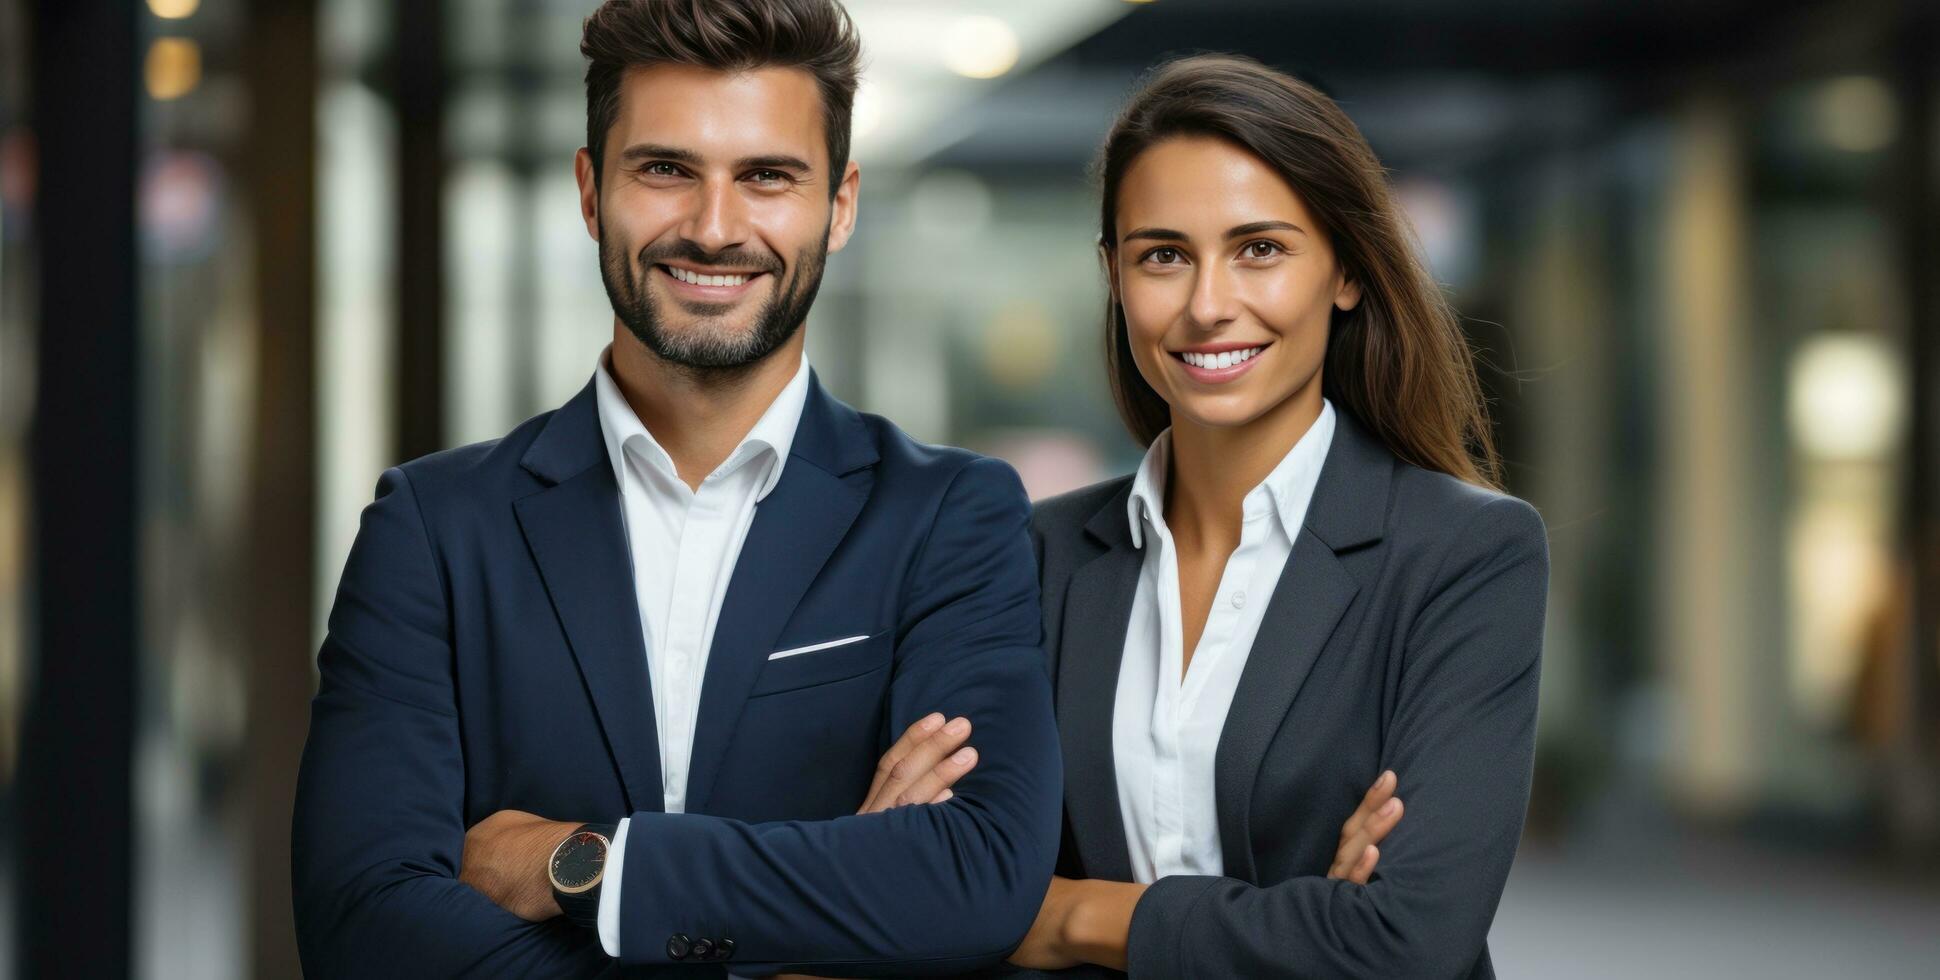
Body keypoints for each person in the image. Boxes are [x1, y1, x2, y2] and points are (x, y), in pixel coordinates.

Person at [289, 1, 1062, 975]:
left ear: (841, 203)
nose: (712, 228)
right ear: (588, 189)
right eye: (664, 170)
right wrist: (825, 919)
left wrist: (589, 867)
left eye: (767, 178)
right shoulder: (434, 530)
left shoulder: (948, 516)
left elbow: (974, 876)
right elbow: (362, 926)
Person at [1006, 55, 1550, 978]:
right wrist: (1305, 922)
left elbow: (1404, 944)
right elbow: (944, 894)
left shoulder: (1464, 554)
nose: (1209, 306)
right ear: (1114, 274)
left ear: (1343, 270)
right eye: (1163, 255)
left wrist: (1075, 919)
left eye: (1260, 248)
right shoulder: (1038, 556)